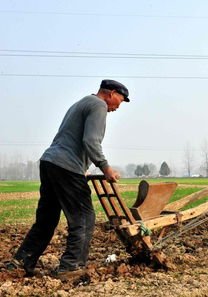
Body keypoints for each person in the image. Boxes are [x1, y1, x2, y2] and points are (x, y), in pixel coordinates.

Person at [7, 79, 129, 279]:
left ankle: (22, 262)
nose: (118, 107)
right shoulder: (99, 105)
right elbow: (91, 140)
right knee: (83, 217)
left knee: (46, 220)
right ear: (111, 93)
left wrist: (82, 168)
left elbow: (69, 138)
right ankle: (71, 266)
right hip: (66, 166)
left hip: (50, 162)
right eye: (120, 101)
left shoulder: (82, 102)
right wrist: (105, 166)